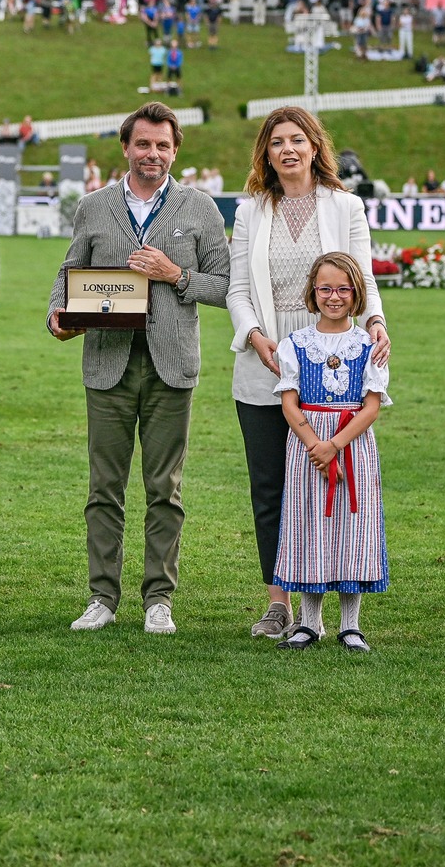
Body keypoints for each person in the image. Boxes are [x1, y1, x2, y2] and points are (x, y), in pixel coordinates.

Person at [50, 103, 230, 636]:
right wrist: (58, 314)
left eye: (163, 146)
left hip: (172, 366)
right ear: (126, 147)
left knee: (164, 490)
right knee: (104, 488)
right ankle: (102, 597)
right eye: (144, 144)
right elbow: (69, 271)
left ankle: (159, 599)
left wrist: (175, 274)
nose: (153, 154)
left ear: (176, 151)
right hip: (107, 363)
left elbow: (225, 285)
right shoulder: (94, 207)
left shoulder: (200, 207)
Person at [226, 107, 390, 640]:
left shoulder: (345, 206)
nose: (288, 150)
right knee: (271, 488)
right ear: (266, 153)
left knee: (329, 485)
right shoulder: (250, 211)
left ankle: (332, 606)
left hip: (331, 367)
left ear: (316, 147)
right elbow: (238, 290)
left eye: (298, 140)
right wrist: (256, 337)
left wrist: (376, 323)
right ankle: (279, 603)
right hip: (266, 363)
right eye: (277, 142)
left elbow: (362, 278)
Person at [273, 251, 391, 651]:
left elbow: (370, 407)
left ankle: (350, 625)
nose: (334, 297)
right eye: (325, 289)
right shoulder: (295, 344)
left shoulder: (368, 346)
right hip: (307, 446)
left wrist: (334, 446)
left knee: (351, 527)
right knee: (310, 525)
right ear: (313, 291)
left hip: (352, 443)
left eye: (343, 289)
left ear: (356, 293)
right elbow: (289, 403)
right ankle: (308, 623)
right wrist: (316, 446)